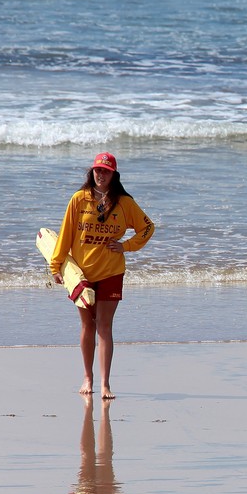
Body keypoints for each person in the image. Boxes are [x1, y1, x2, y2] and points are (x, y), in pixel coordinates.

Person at [50, 152, 155, 400]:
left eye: (105, 171)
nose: (100, 174)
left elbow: (147, 227)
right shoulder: (79, 199)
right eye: (97, 170)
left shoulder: (124, 203)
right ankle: (88, 377)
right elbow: (64, 233)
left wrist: (126, 245)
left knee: (104, 326)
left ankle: (106, 384)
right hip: (82, 273)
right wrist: (56, 266)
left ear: (113, 175)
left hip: (111, 271)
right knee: (88, 324)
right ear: (92, 172)